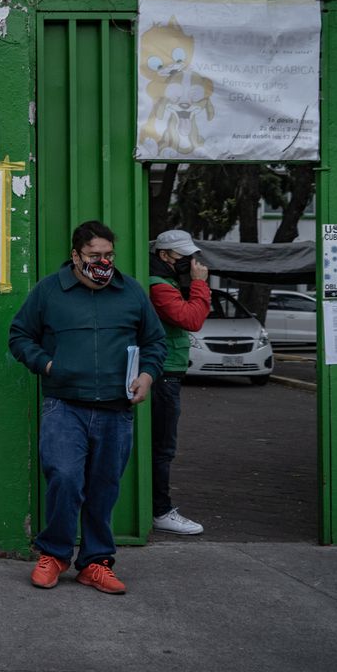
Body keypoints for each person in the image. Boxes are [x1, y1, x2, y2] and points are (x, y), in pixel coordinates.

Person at [8, 220, 166, 595]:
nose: (104, 262)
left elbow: (156, 342)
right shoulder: (50, 290)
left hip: (115, 409)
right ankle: (55, 554)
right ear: (75, 256)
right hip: (65, 405)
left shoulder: (131, 293)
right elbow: (19, 335)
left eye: (109, 255)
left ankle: (95, 562)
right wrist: (46, 364)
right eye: (95, 255)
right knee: (64, 477)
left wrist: (147, 376)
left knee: (103, 487)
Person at [148, 229, 212, 536]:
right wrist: (199, 284)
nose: (192, 262)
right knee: (162, 446)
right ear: (164, 256)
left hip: (167, 371)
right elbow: (191, 320)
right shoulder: (159, 286)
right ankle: (159, 510)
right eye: (185, 257)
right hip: (161, 374)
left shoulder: (169, 281)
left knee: (161, 444)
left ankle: (155, 507)